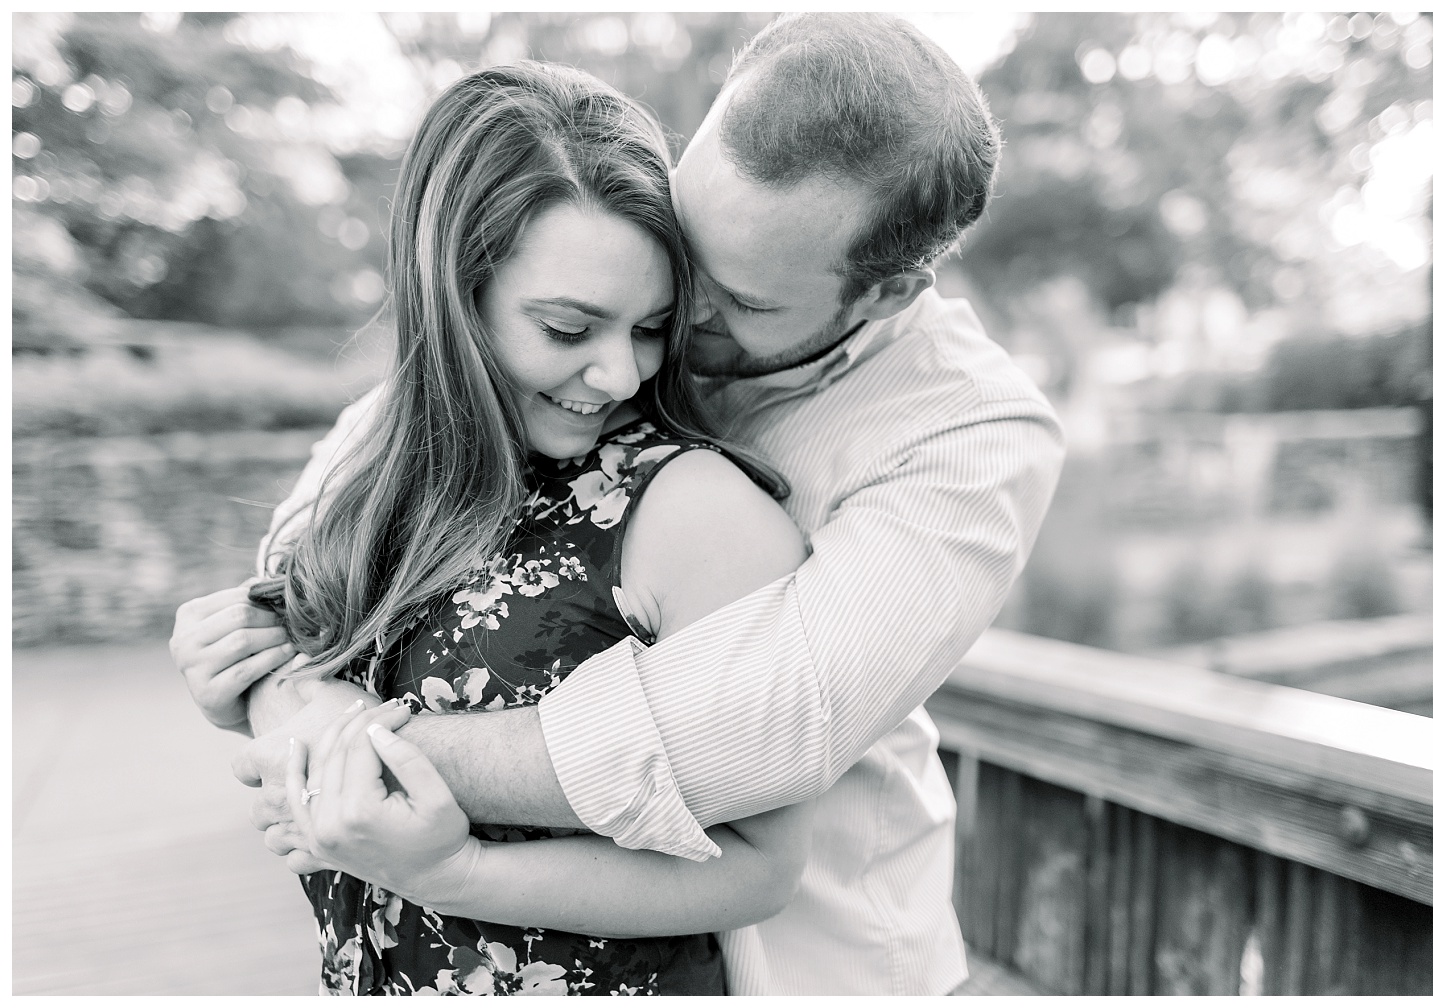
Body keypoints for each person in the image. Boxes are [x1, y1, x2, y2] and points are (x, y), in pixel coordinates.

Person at [172, 13, 1065, 996]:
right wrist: (277, 686)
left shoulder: (968, 436)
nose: (676, 320)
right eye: (684, 244)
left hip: (818, 970)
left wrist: (365, 744)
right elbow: (313, 546)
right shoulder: (606, 289)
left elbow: (766, 723)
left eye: (746, 300)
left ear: (888, 292)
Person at [223, 61, 822, 995]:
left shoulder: (692, 509)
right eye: (567, 328)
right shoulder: (378, 480)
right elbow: (302, 688)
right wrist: (264, 698)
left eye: (653, 327)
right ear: (452, 298)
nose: (621, 376)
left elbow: (759, 866)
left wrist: (456, 875)